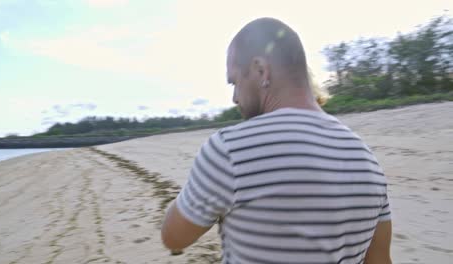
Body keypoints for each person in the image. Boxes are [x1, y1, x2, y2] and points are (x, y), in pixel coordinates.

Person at [161, 17, 392, 264]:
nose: (235, 97)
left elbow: (174, 238)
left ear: (261, 70)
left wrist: (198, 194)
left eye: (235, 81)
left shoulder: (231, 150)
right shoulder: (367, 160)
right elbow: (379, 260)